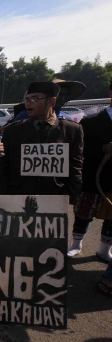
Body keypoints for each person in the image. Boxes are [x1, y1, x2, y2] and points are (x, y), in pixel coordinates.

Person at [0, 82, 83, 201]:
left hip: (55, 198)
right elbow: (2, 169)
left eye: (34, 98)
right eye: (27, 99)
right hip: (18, 198)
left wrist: (71, 196)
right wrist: (1, 199)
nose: (28, 103)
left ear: (51, 101)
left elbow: (75, 167)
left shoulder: (72, 130)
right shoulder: (12, 131)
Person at [68, 81, 112, 261]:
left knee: (111, 215)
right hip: (93, 174)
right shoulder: (90, 120)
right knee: (84, 211)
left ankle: (104, 249)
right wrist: (103, 148)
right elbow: (80, 149)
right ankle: (76, 244)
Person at [12, 80, 86, 122]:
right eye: (60, 95)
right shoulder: (25, 116)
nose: (62, 99)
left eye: (66, 95)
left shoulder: (68, 119)